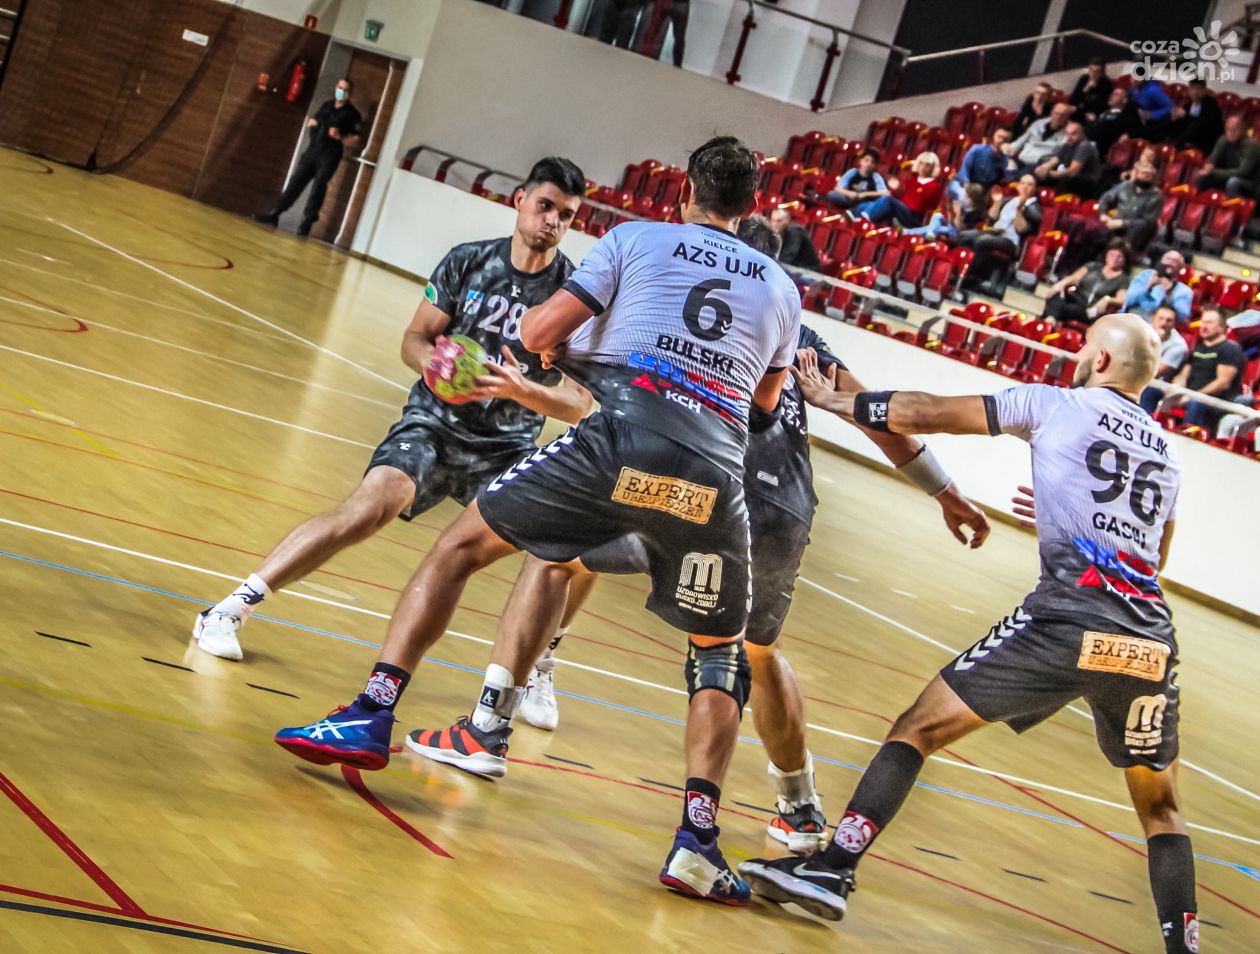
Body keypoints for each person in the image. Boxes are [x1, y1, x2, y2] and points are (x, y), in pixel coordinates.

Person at [273, 136, 803, 905]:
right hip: (713, 478)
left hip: (619, 442)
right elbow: (762, 410)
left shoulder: (634, 239)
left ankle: (373, 711)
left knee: (461, 545)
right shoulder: (783, 290)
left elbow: (534, 336)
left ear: (685, 191)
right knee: (719, 653)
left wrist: (586, 355)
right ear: (752, 205)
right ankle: (695, 841)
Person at [434, 216, 990, 855]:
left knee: (555, 556)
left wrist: (535, 379)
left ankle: (489, 723)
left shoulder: (674, 311)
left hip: (693, 491)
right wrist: (945, 492)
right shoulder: (799, 336)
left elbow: (604, 404)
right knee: (757, 652)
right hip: (779, 511)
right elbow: (877, 417)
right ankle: (798, 808)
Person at [740, 315, 1201, 954]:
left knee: (918, 728)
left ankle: (833, 867)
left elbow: (930, 412)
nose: (1076, 352)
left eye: (1083, 344)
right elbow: (1153, 562)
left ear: (1099, 360)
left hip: (1066, 622)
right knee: (1161, 807)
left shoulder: (1055, 404)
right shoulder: (1168, 455)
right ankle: (1184, 946)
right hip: (1147, 645)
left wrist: (836, 400)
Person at [194, 158, 592, 660]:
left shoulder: (573, 297)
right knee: (368, 508)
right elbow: (414, 338)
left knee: (581, 549)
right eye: (545, 206)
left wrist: (522, 391)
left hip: (506, 447)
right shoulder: (467, 261)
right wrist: (435, 365)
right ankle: (230, 608)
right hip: (434, 424)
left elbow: (579, 404)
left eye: (566, 214)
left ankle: (540, 662)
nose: (552, 220)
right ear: (520, 201)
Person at [255, 78, 363, 237]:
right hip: (313, 150)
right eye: (340, 87)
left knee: (319, 185)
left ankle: (307, 222)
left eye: (345, 90)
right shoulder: (327, 105)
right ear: (336, 88)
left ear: (350, 93)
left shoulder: (352, 114)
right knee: (296, 180)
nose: (341, 91)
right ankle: (276, 213)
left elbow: (356, 139)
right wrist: (312, 123)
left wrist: (341, 136)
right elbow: (316, 120)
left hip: (329, 154)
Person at [956, 173, 1042, 294]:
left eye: (1029, 184)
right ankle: (959, 271)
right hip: (994, 233)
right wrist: (997, 202)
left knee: (982, 242)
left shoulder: (1034, 208)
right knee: (964, 236)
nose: (1025, 187)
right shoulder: (1010, 200)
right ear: (1018, 185)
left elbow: (1022, 230)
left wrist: (1019, 210)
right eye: (1022, 183)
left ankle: (975, 277)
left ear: (1035, 188)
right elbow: (992, 217)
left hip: (1011, 241)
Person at [1164, 308, 1245, 432]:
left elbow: (1222, 383)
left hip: (1216, 402)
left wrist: (1193, 396)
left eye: (1209, 323)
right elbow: (1184, 374)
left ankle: (1188, 436)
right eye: (1203, 322)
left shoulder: (1230, 349)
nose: (1204, 326)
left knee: (1196, 404)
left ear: (1222, 327)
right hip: (1192, 396)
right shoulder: (1198, 347)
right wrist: (1176, 390)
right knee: (1154, 392)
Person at [1041, 238, 1131, 326]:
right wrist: (1059, 285)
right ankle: (1051, 320)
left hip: (1091, 310)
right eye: (1112, 254)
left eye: (1119, 256)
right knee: (1056, 295)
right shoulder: (1093, 266)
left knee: (1061, 307)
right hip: (1077, 299)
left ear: (1125, 260)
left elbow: (1121, 300)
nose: (1114, 258)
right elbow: (1074, 278)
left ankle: (1049, 321)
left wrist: (1107, 299)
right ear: (1106, 254)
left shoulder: (1123, 279)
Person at [853, 152, 943, 228]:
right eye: (921, 163)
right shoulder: (910, 182)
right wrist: (896, 190)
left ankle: (864, 220)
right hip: (899, 210)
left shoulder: (934, 187)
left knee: (888, 200)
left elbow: (918, 206)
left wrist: (899, 194)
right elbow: (896, 196)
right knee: (865, 205)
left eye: (927, 165)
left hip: (914, 218)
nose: (923, 167)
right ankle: (852, 222)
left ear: (933, 168)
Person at [1094, 159, 1164, 255]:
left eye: (1148, 175)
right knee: (1095, 230)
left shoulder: (1156, 196)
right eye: (1143, 174)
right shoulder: (1126, 186)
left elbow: (1147, 221)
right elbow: (1105, 199)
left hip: (1135, 230)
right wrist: (1103, 214)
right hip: (1114, 223)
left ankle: (1126, 255)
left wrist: (1122, 223)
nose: (1146, 177)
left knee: (1138, 230)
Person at [947, 127, 1013, 213]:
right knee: (964, 198)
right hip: (962, 185)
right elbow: (964, 170)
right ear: (994, 136)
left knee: (978, 197)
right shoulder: (977, 149)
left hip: (982, 192)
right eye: (999, 137)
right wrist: (967, 189)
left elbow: (1009, 178)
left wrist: (1008, 157)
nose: (1001, 141)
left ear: (1008, 142)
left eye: (1005, 139)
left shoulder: (1006, 160)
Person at [1139, 305, 1190, 413]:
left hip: (1157, 385)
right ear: (1153, 318)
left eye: (1169, 320)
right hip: (1133, 375)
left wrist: (1155, 342)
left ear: (1174, 324)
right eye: (1160, 318)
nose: (1163, 323)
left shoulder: (1178, 345)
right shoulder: (1141, 330)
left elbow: (1154, 372)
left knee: (1149, 390)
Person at [1196, 113, 1260, 199]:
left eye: (1235, 129)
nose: (1231, 132)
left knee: (1233, 182)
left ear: (1243, 130)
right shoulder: (1223, 140)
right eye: (1228, 129)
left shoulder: (1251, 146)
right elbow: (1213, 158)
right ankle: (1203, 203)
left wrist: (1214, 172)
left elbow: (1242, 172)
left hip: (1250, 182)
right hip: (1227, 176)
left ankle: (1234, 206)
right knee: (1202, 176)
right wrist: (1209, 165)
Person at [1034, 120, 1102, 197]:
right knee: (1038, 170)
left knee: (1065, 178)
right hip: (1071, 178)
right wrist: (1044, 168)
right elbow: (1057, 159)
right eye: (1067, 133)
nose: (1069, 137)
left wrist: (1049, 174)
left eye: (1073, 134)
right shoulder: (1069, 143)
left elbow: (1073, 171)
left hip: (1085, 182)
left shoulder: (1084, 146)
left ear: (1082, 133)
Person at [1125, 250, 1193, 323]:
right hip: (1132, 318)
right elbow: (1128, 299)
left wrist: (1168, 295)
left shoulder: (1184, 291)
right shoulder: (1145, 276)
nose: (1170, 263)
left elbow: (1182, 317)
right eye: (1168, 259)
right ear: (1161, 260)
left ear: (1181, 267)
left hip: (1157, 326)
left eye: (1175, 261)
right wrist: (1148, 287)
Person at [1005, 102, 1073, 174]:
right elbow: (1020, 141)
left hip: (1040, 166)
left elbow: (1063, 159)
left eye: (1062, 115)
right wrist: (1007, 149)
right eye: (1056, 113)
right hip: (1022, 160)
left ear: (1068, 117)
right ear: (1051, 113)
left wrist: (1054, 170)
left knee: (1015, 176)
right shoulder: (1039, 123)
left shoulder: (1070, 133)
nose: (1058, 117)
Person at [1171, 79, 1224, 155]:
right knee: (1171, 119)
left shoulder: (1211, 103)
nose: (1195, 92)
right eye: (1193, 89)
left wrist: (1185, 115)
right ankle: (1158, 139)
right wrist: (1175, 117)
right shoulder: (1190, 104)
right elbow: (1185, 121)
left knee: (1194, 125)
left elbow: (1204, 123)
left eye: (1199, 89)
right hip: (1193, 137)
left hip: (1208, 139)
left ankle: (1176, 149)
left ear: (1204, 91)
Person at [1088, 86, 1141, 156]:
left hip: (1098, 149)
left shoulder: (1122, 117)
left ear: (1124, 100)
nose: (1111, 96)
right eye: (1112, 93)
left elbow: (1102, 132)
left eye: (1116, 94)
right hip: (1088, 142)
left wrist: (1091, 123)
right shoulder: (1104, 112)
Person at [1069, 57, 1113, 124]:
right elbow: (1072, 101)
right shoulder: (1084, 79)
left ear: (1102, 73)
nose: (1092, 74)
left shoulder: (1107, 84)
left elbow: (1105, 105)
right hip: (1081, 110)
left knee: (1092, 120)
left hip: (1094, 113)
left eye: (1096, 72)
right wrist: (1086, 88)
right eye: (1091, 70)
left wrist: (1094, 113)